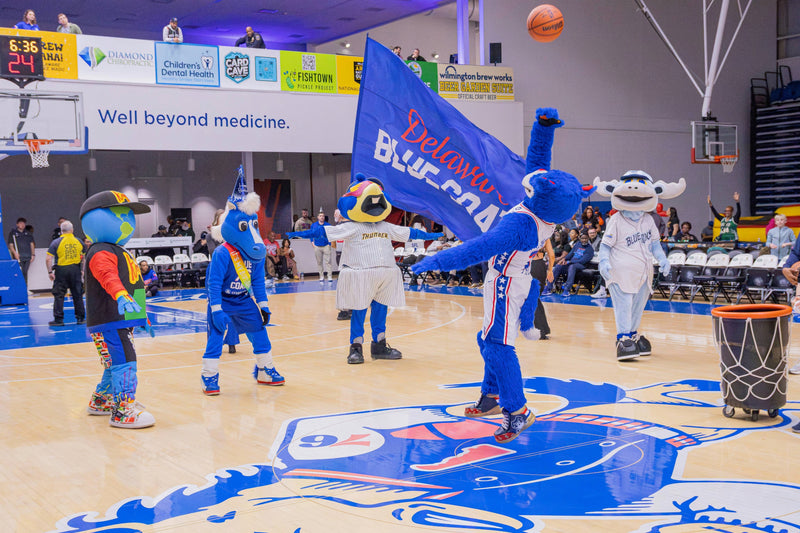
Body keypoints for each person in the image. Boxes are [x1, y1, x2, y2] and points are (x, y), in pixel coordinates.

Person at [80, 190, 155, 428]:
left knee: (115, 362)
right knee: (125, 361)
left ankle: (101, 401)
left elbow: (134, 283)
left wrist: (140, 315)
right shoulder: (100, 250)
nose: (126, 221)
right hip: (108, 320)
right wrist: (120, 295)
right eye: (120, 215)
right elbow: (108, 276)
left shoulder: (118, 249)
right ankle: (122, 412)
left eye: (128, 216)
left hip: (119, 320)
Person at [46, 221, 86, 326]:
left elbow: (48, 259)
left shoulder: (56, 242)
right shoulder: (79, 241)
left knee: (59, 295)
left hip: (61, 271)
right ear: (72, 230)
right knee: (77, 294)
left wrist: (50, 272)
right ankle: (80, 318)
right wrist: (82, 270)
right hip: (75, 270)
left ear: (61, 231)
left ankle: (58, 320)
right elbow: (84, 257)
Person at [545, 230, 594, 295]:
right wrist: (564, 259)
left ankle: (567, 289)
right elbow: (571, 254)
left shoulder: (590, 249)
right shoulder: (577, 244)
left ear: (588, 238)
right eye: (582, 238)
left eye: (586, 238)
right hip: (571, 263)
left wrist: (569, 262)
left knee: (572, 266)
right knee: (559, 265)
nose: (584, 240)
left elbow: (582, 261)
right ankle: (548, 287)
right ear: (580, 238)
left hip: (581, 266)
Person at [529, 239, 555, 339]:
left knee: (532, 299)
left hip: (530, 266)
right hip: (541, 266)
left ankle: (540, 331)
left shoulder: (527, 233)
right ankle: (543, 329)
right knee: (535, 298)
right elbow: (551, 255)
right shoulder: (545, 236)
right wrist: (550, 270)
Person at [7, 217, 35, 285]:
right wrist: (15, 253)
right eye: (21, 223)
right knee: (20, 272)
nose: (22, 224)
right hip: (18, 257)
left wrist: (33, 254)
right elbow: (11, 245)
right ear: (17, 224)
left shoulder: (28, 234)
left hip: (27, 256)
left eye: (24, 223)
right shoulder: (13, 233)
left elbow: (32, 244)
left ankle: (25, 287)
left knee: (25, 272)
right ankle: (20, 287)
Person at [311, 209, 333, 283]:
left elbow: (330, 235)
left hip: (326, 245)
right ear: (318, 217)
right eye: (320, 216)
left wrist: (329, 244)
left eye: (323, 216)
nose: (322, 217)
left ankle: (329, 276)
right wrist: (312, 242)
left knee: (328, 261)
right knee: (319, 262)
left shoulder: (328, 225)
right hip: (317, 245)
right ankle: (321, 276)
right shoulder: (313, 225)